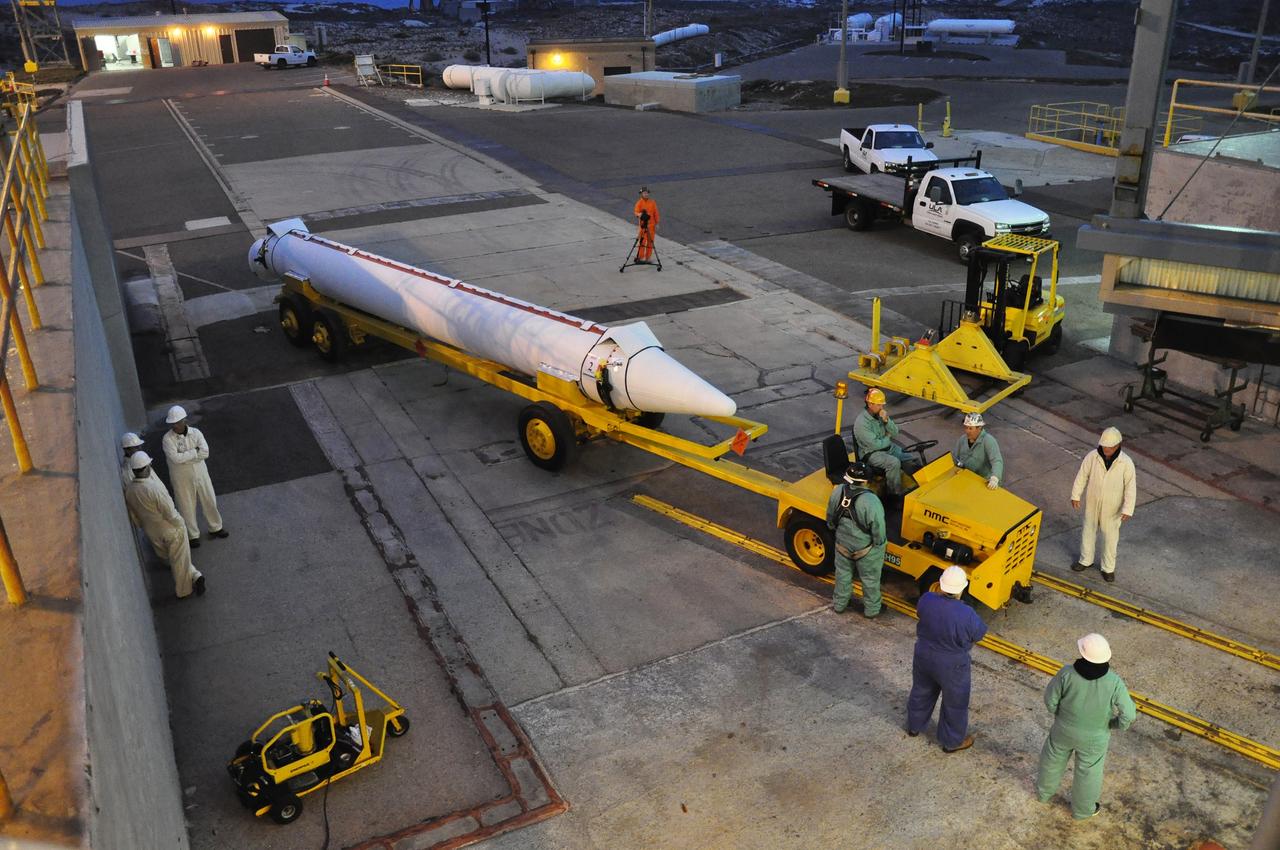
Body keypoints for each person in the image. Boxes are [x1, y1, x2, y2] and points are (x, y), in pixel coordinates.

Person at [1036, 633, 1136, 819]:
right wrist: (1115, 724)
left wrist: (1058, 714)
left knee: (1051, 761)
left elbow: (1050, 699)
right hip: (1095, 738)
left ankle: (1043, 794)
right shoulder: (1114, 682)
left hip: (1063, 730)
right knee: (1089, 773)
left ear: (1082, 653)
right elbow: (1129, 714)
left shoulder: (1066, 673)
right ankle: (1082, 811)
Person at [906, 565, 988, 752]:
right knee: (955, 703)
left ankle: (914, 726)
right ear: (962, 588)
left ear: (941, 585)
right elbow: (979, 634)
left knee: (921, 691)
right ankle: (951, 742)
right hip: (953, 665)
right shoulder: (967, 614)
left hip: (924, 655)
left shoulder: (926, 599)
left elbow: (921, 614)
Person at [124, 452, 205, 599]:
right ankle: (184, 591)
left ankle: (196, 575)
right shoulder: (154, 488)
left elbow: (134, 515)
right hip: (171, 530)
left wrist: (141, 525)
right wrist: (180, 523)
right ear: (146, 468)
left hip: (152, 532)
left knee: (170, 558)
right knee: (180, 559)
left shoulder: (129, 490)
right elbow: (170, 512)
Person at [1070, 426, 1136, 583]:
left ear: (1117, 446)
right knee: (1088, 530)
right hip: (1092, 502)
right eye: (1104, 446)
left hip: (1113, 507)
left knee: (1110, 537)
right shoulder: (1092, 457)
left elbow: (1130, 487)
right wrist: (1075, 495)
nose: (1106, 450)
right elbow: (1082, 476)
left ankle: (1108, 568)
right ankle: (1085, 560)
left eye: (1109, 447)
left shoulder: (1126, 463)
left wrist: (1128, 508)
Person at [825, 462, 886, 618]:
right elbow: (878, 528)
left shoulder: (838, 490)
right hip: (865, 549)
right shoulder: (871, 501)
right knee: (870, 580)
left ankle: (839, 604)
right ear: (866, 481)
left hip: (842, 545)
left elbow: (830, 517)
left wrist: (835, 529)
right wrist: (879, 544)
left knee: (842, 575)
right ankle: (872, 610)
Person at [161, 405, 228, 549]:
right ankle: (192, 535)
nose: (175, 425)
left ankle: (216, 527)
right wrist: (194, 453)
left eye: (178, 422)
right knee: (186, 505)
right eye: (173, 423)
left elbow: (205, 452)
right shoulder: (167, 439)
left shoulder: (196, 433)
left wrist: (185, 457)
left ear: (184, 420)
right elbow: (175, 458)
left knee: (209, 499)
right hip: (181, 478)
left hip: (201, 474)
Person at [852, 388, 915, 497]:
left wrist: (886, 421)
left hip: (887, 448)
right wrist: (887, 437)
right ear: (870, 404)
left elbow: (895, 432)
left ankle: (914, 486)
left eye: (882, 404)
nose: (882, 407)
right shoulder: (862, 423)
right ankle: (894, 494)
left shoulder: (880, 415)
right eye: (879, 405)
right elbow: (875, 445)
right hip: (871, 453)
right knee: (894, 463)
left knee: (909, 457)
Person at [953, 412, 1003, 489]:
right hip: (966, 478)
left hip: (983, 482)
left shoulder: (988, 441)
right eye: (966, 427)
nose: (967, 431)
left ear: (979, 428)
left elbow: (997, 460)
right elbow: (955, 457)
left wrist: (995, 478)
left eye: (970, 428)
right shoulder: (962, 439)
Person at [633, 187, 659, 264]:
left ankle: (648, 258)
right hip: (643, 226)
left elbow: (656, 213)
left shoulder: (652, 202)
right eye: (644, 193)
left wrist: (657, 223)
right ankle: (640, 257)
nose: (646, 194)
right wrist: (639, 214)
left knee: (650, 242)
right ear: (641, 194)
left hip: (652, 226)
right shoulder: (639, 203)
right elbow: (636, 212)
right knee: (642, 242)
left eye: (647, 193)